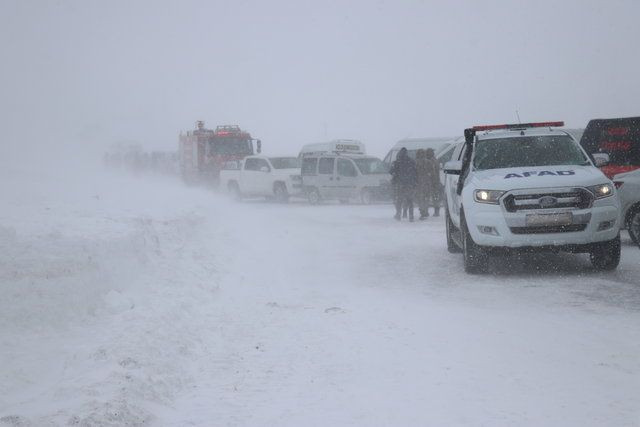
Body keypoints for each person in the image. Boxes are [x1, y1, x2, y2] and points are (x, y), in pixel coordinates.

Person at [390, 147, 417, 221]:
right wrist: (414, 182)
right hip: (410, 184)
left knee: (399, 200)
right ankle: (411, 217)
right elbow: (415, 172)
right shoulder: (411, 161)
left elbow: (391, 171)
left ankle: (398, 215)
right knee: (410, 200)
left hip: (400, 184)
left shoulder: (397, 162)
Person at [423, 148, 441, 217]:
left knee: (427, 197)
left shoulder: (429, 161)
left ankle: (427, 211)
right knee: (435, 197)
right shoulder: (435, 160)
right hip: (435, 181)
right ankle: (436, 211)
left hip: (430, 182)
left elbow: (430, 172)